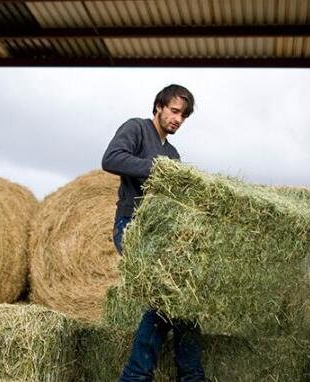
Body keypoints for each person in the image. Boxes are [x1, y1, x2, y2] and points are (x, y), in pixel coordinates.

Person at [102, 84, 205, 382]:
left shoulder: (173, 153)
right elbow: (111, 158)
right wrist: (157, 168)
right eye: (174, 111)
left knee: (181, 298)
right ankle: (139, 377)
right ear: (159, 106)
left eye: (183, 116)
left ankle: (188, 375)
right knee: (167, 297)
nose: (177, 119)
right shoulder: (137, 128)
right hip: (132, 227)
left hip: (162, 235)